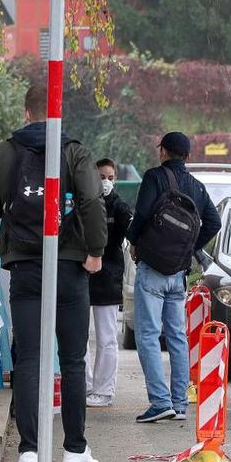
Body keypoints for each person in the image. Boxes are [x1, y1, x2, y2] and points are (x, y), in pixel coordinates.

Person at [0, 81, 107, 462]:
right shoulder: (74, 152)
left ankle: (29, 454)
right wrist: (95, 250)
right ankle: (74, 451)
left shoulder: (4, 153)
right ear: (58, 112)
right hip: (70, 267)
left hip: (25, 267)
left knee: (30, 358)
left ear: (26, 112)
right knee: (73, 359)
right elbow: (91, 201)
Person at [125, 132, 220, 423]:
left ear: (163, 152)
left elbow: (142, 214)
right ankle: (179, 404)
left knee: (148, 335)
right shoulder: (197, 187)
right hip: (179, 271)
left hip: (152, 268)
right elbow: (214, 222)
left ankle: (159, 402)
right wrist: (189, 248)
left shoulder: (154, 177)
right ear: (188, 156)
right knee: (178, 336)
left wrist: (133, 241)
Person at [85, 158, 132, 408]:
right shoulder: (83, 202)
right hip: (82, 277)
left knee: (107, 337)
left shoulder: (120, 207)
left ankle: (103, 390)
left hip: (108, 278)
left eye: (110, 178)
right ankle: (83, 385)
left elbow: (132, 233)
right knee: (78, 337)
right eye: (102, 177)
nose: (106, 182)